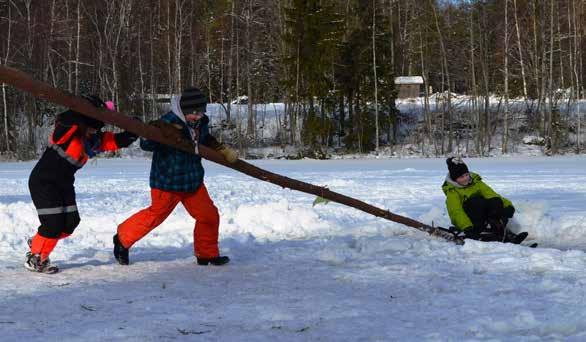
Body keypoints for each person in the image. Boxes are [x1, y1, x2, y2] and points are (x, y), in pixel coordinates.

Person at [114, 87, 237, 266]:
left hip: (192, 181)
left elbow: (205, 139)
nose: (198, 116)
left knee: (209, 216)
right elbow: (146, 144)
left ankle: (207, 254)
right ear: (184, 110)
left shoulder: (200, 123)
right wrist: (155, 131)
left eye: (201, 112)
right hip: (167, 182)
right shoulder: (167, 122)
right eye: (194, 113)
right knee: (155, 216)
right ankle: (122, 239)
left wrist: (221, 149)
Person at [26, 96, 138, 273]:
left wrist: (133, 131)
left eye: (97, 129)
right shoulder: (67, 133)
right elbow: (63, 124)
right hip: (44, 182)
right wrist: (79, 110)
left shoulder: (92, 140)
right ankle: (36, 257)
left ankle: (39, 240)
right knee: (53, 225)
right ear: (84, 122)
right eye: (92, 128)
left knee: (70, 223)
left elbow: (114, 141)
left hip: (64, 184)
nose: (94, 132)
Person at [442, 157, 528, 244]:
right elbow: (456, 211)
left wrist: (507, 206)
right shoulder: (452, 191)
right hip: (469, 221)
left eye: (466, 175)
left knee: (495, 202)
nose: (465, 178)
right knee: (477, 201)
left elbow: (492, 195)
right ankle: (481, 231)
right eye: (461, 177)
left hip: (481, 214)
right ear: (454, 179)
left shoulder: (476, 182)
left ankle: (501, 231)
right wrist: (467, 227)